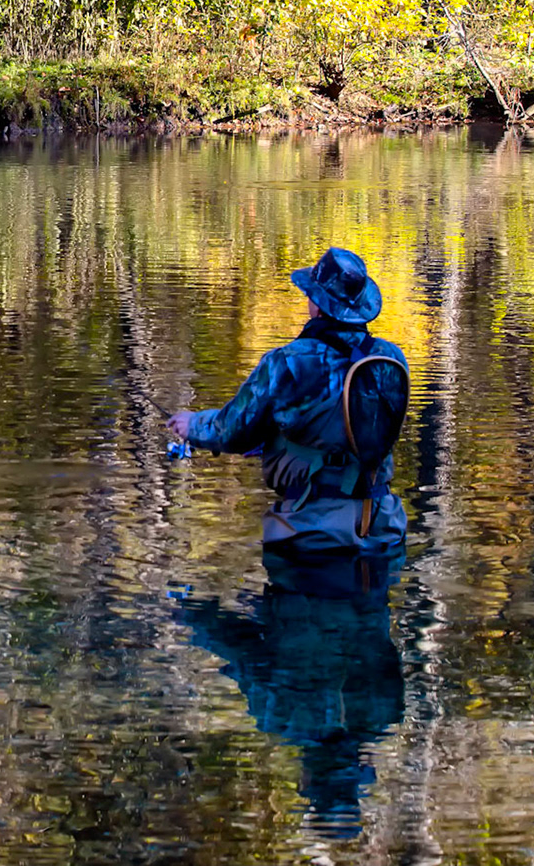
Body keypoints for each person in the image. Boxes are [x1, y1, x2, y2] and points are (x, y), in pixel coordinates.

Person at [167, 246, 409, 556]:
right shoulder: (391, 358)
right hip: (383, 526)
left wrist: (193, 425)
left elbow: (232, 432)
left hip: (311, 530)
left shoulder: (288, 362)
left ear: (316, 303)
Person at [172, 551, 405, 840]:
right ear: (308, 777)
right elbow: (242, 650)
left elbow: (381, 643)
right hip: (297, 563)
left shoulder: (386, 713)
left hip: (370, 562)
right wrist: (192, 616)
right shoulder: (281, 718)